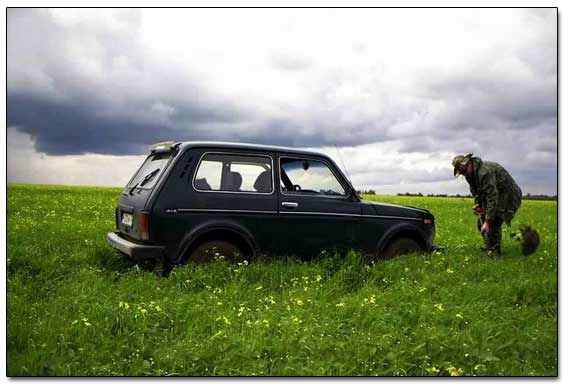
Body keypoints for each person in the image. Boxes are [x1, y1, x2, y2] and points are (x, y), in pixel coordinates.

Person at [452, 153, 522, 257]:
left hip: (508, 195)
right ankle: (489, 247)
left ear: (469, 164)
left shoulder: (484, 172)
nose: (463, 174)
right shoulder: (470, 175)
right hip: (495, 194)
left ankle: (495, 252)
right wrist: (477, 205)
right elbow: (477, 193)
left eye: (463, 171)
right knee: (481, 224)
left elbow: (492, 196)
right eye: (461, 173)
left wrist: (488, 220)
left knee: (494, 222)